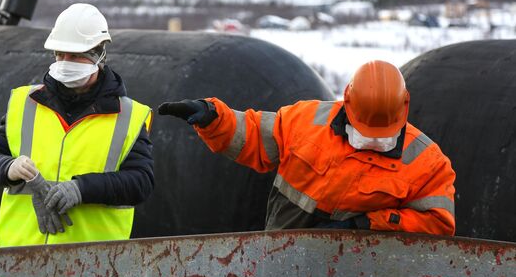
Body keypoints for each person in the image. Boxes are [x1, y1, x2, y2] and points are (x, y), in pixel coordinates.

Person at [158, 60, 455, 235]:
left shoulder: (427, 163)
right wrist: (213, 117)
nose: (372, 142)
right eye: (364, 133)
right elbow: (253, 135)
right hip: (283, 265)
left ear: (404, 109)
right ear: (347, 104)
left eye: (382, 137)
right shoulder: (306, 122)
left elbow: (438, 224)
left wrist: (366, 225)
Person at [0, 3, 154, 246]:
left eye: (74, 55)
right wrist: (9, 167)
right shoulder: (25, 103)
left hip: (93, 263)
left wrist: (82, 189)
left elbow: (140, 182)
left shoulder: (129, 116)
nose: (64, 61)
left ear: (99, 55)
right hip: (19, 259)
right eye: (59, 54)